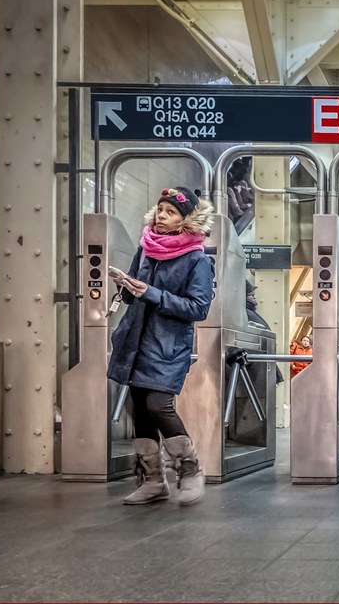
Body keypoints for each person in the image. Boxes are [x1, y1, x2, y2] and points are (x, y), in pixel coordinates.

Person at [106, 187, 215, 506]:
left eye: (170, 212)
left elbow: (198, 308)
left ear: (186, 220)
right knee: (139, 408)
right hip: (134, 341)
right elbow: (132, 295)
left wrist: (150, 292)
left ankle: (190, 470)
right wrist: (125, 287)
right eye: (159, 210)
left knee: (158, 405)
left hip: (167, 345)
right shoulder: (145, 249)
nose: (161, 216)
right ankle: (152, 480)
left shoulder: (197, 260)